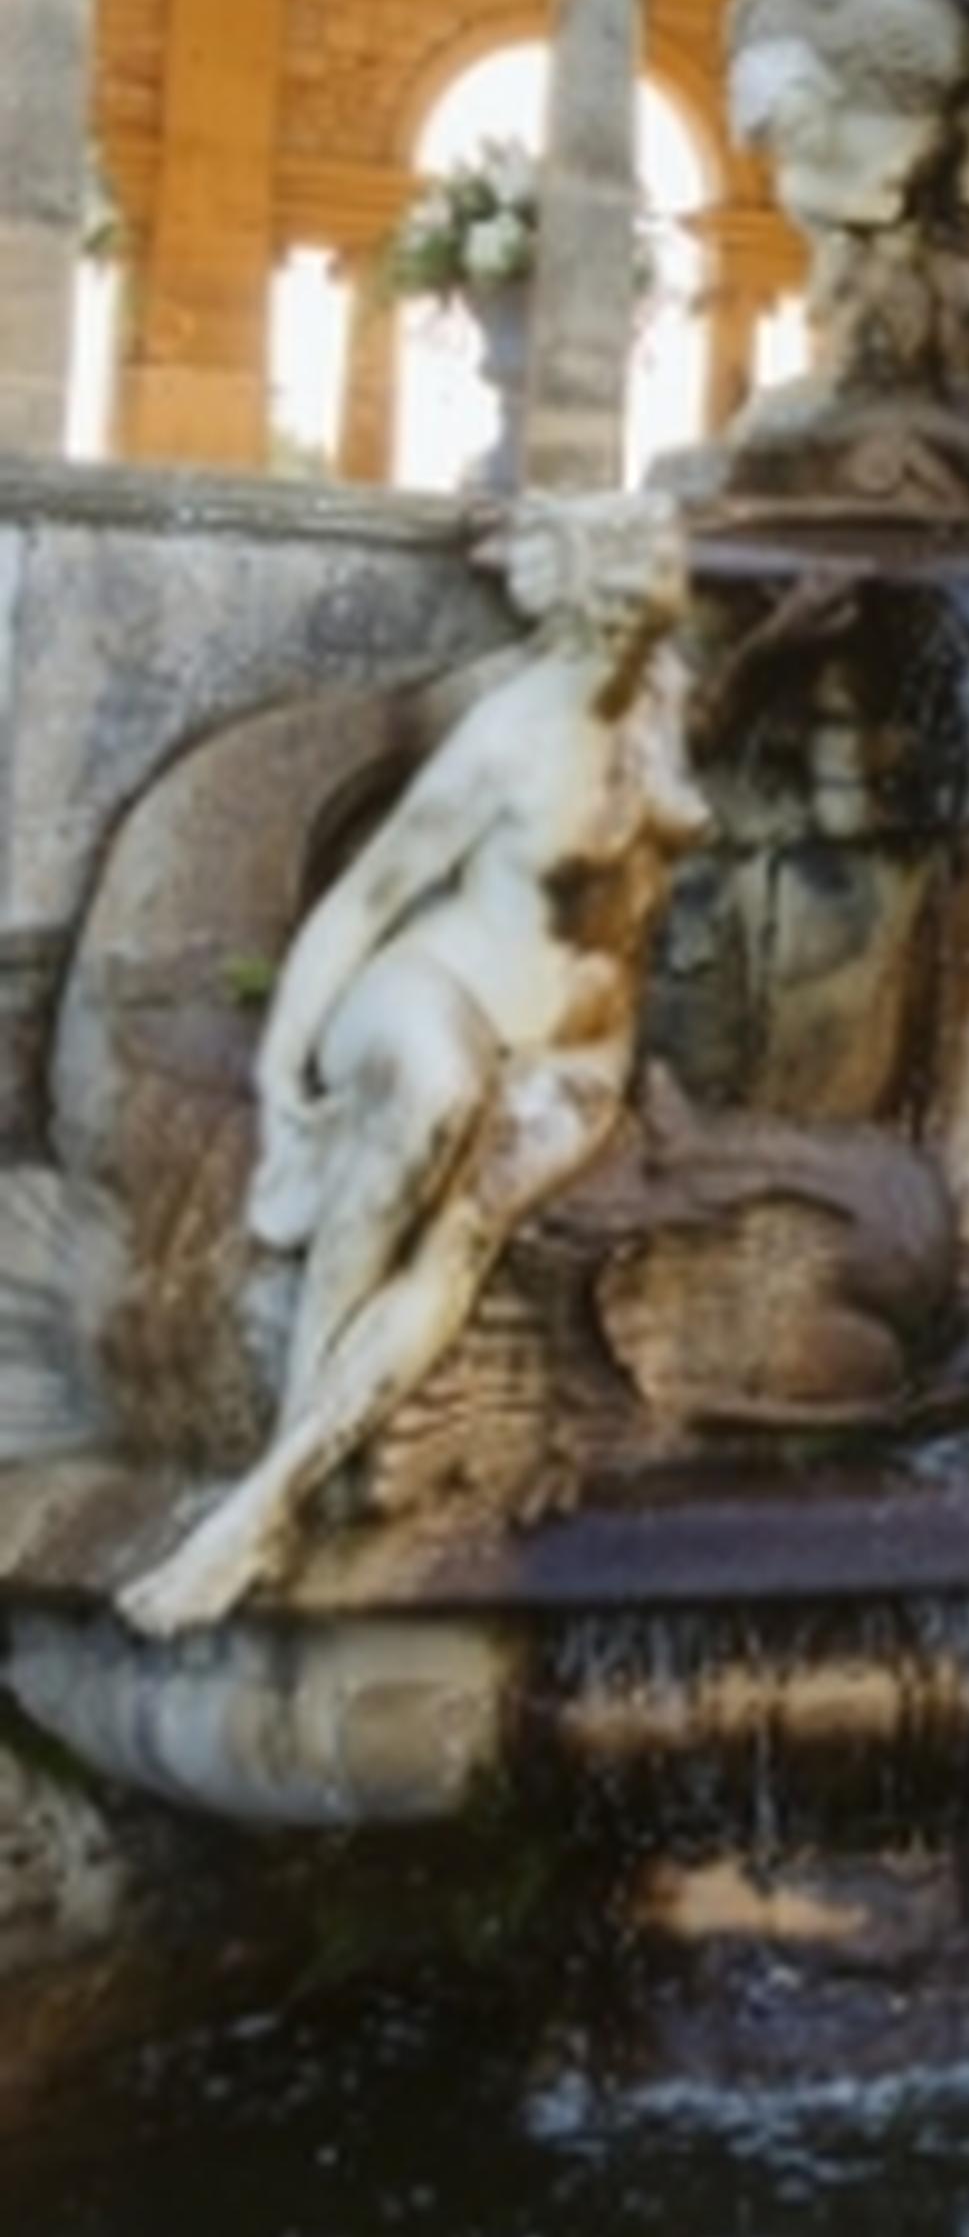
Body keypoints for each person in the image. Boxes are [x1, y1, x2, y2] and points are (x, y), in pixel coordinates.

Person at [119, 494, 708, 1635]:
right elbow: (366, 897)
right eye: (645, 578)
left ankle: (269, 1496)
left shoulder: (663, 696)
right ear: (598, 604)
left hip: (580, 1048)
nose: (667, 593)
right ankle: (272, 1484)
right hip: (431, 989)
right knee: (431, 1110)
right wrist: (282, 1075)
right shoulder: (511, 741)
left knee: (469, 1228)